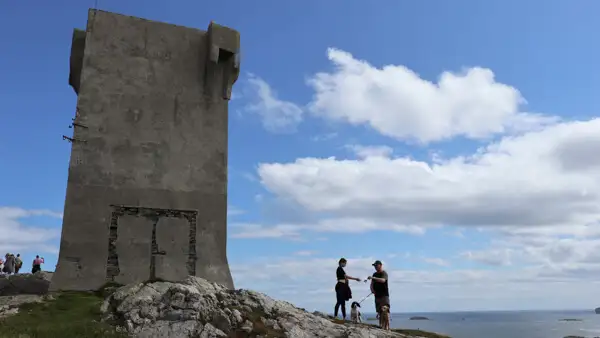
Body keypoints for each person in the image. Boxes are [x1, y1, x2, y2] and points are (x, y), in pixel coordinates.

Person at [367, 260, 390, 325]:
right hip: (377, 295)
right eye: (374, 266)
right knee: (379, 311)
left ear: (380, 265)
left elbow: (383, 280)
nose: (375, 267)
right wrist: (372, 290)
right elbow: (372, 284)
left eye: (376, 265)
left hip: (384, 295)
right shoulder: (374, 274)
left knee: (386, 311)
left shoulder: (384, 273)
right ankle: (381, 325)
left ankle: (387, 327)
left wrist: (373, 278)